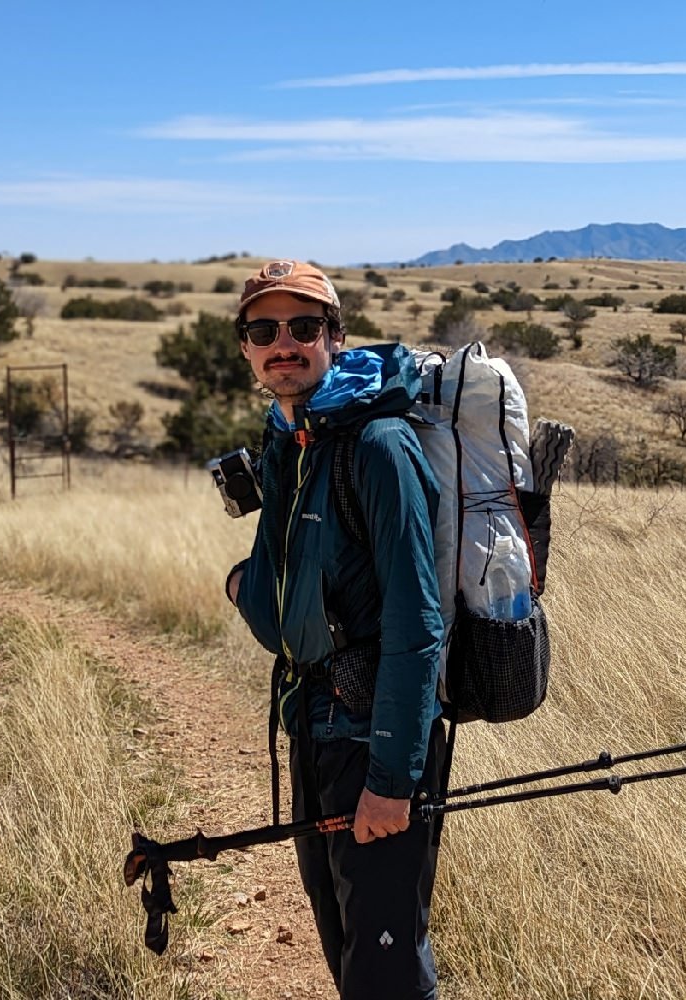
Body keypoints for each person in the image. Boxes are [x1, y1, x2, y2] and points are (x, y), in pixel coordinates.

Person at [224, 259, 445, 1000]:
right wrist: (242, 586)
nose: (283, 343)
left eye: (304, 327)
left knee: (385, 969)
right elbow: (284, 603)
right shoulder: (288, 439)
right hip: (311, 727)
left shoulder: (378, 446)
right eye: (264, 330)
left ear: (337, 338)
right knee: (344, 944)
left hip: (368, 740)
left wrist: (391, 780)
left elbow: (418, 624)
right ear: (248, 350)